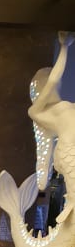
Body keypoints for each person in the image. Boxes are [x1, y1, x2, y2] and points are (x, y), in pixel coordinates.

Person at [28, 31, 75, 223]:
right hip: (69, 151)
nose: (56, 84)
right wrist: (64, 47)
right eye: (50, 83)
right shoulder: (37, 111)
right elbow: (54, 78)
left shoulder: (63, 106)